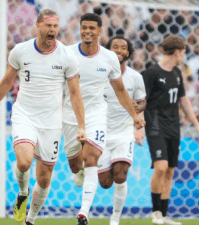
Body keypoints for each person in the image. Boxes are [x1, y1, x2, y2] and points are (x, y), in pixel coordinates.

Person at [0, 9, 86, 225]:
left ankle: (30, 219)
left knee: (45, 178)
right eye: (48, 26)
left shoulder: (67, 56)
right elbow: (7, 81)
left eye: (56, 26)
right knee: (25, 161)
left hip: (52, 122)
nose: (53, 30)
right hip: (25, 114)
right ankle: (22, 192)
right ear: (38, 26)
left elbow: (74, 93)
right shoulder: (21, 51)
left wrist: (81, 126)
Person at [62, 13, 145, 225]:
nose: (87, 31)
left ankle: (85, 213)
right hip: (71, 115)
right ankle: (77, 170)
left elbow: (121, 91)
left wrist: (135, 117)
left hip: (99, 117)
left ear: (100, 31)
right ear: (80, 29)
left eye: (92, 28)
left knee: (97, 163)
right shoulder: (68, 53)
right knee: (78, 166)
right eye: (84, 27)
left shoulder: (109, 60)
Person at [142, 35, 199, 225]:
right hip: (155, 126)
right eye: (184, 51)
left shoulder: (177, 72)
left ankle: (163, 214)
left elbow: (183, 99)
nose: (183, 55)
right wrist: (137, 124)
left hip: (173, 127)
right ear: (177, 51)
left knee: (169, 171)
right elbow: (140, 102)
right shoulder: (151, 73)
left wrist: (196, 123)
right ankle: (155, 213)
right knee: (160, 166)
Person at [97, 35, 146, 225]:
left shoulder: (135, 77)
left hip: (124, 132)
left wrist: (139, 110)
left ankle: (115, 219)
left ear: (128, 52)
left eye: (122, 47)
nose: (118, 50)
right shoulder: (100, 74)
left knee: (120, 174)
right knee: (105, 183)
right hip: (101, 132)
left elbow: (142, 101)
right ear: (107, 50)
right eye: (114, 47)